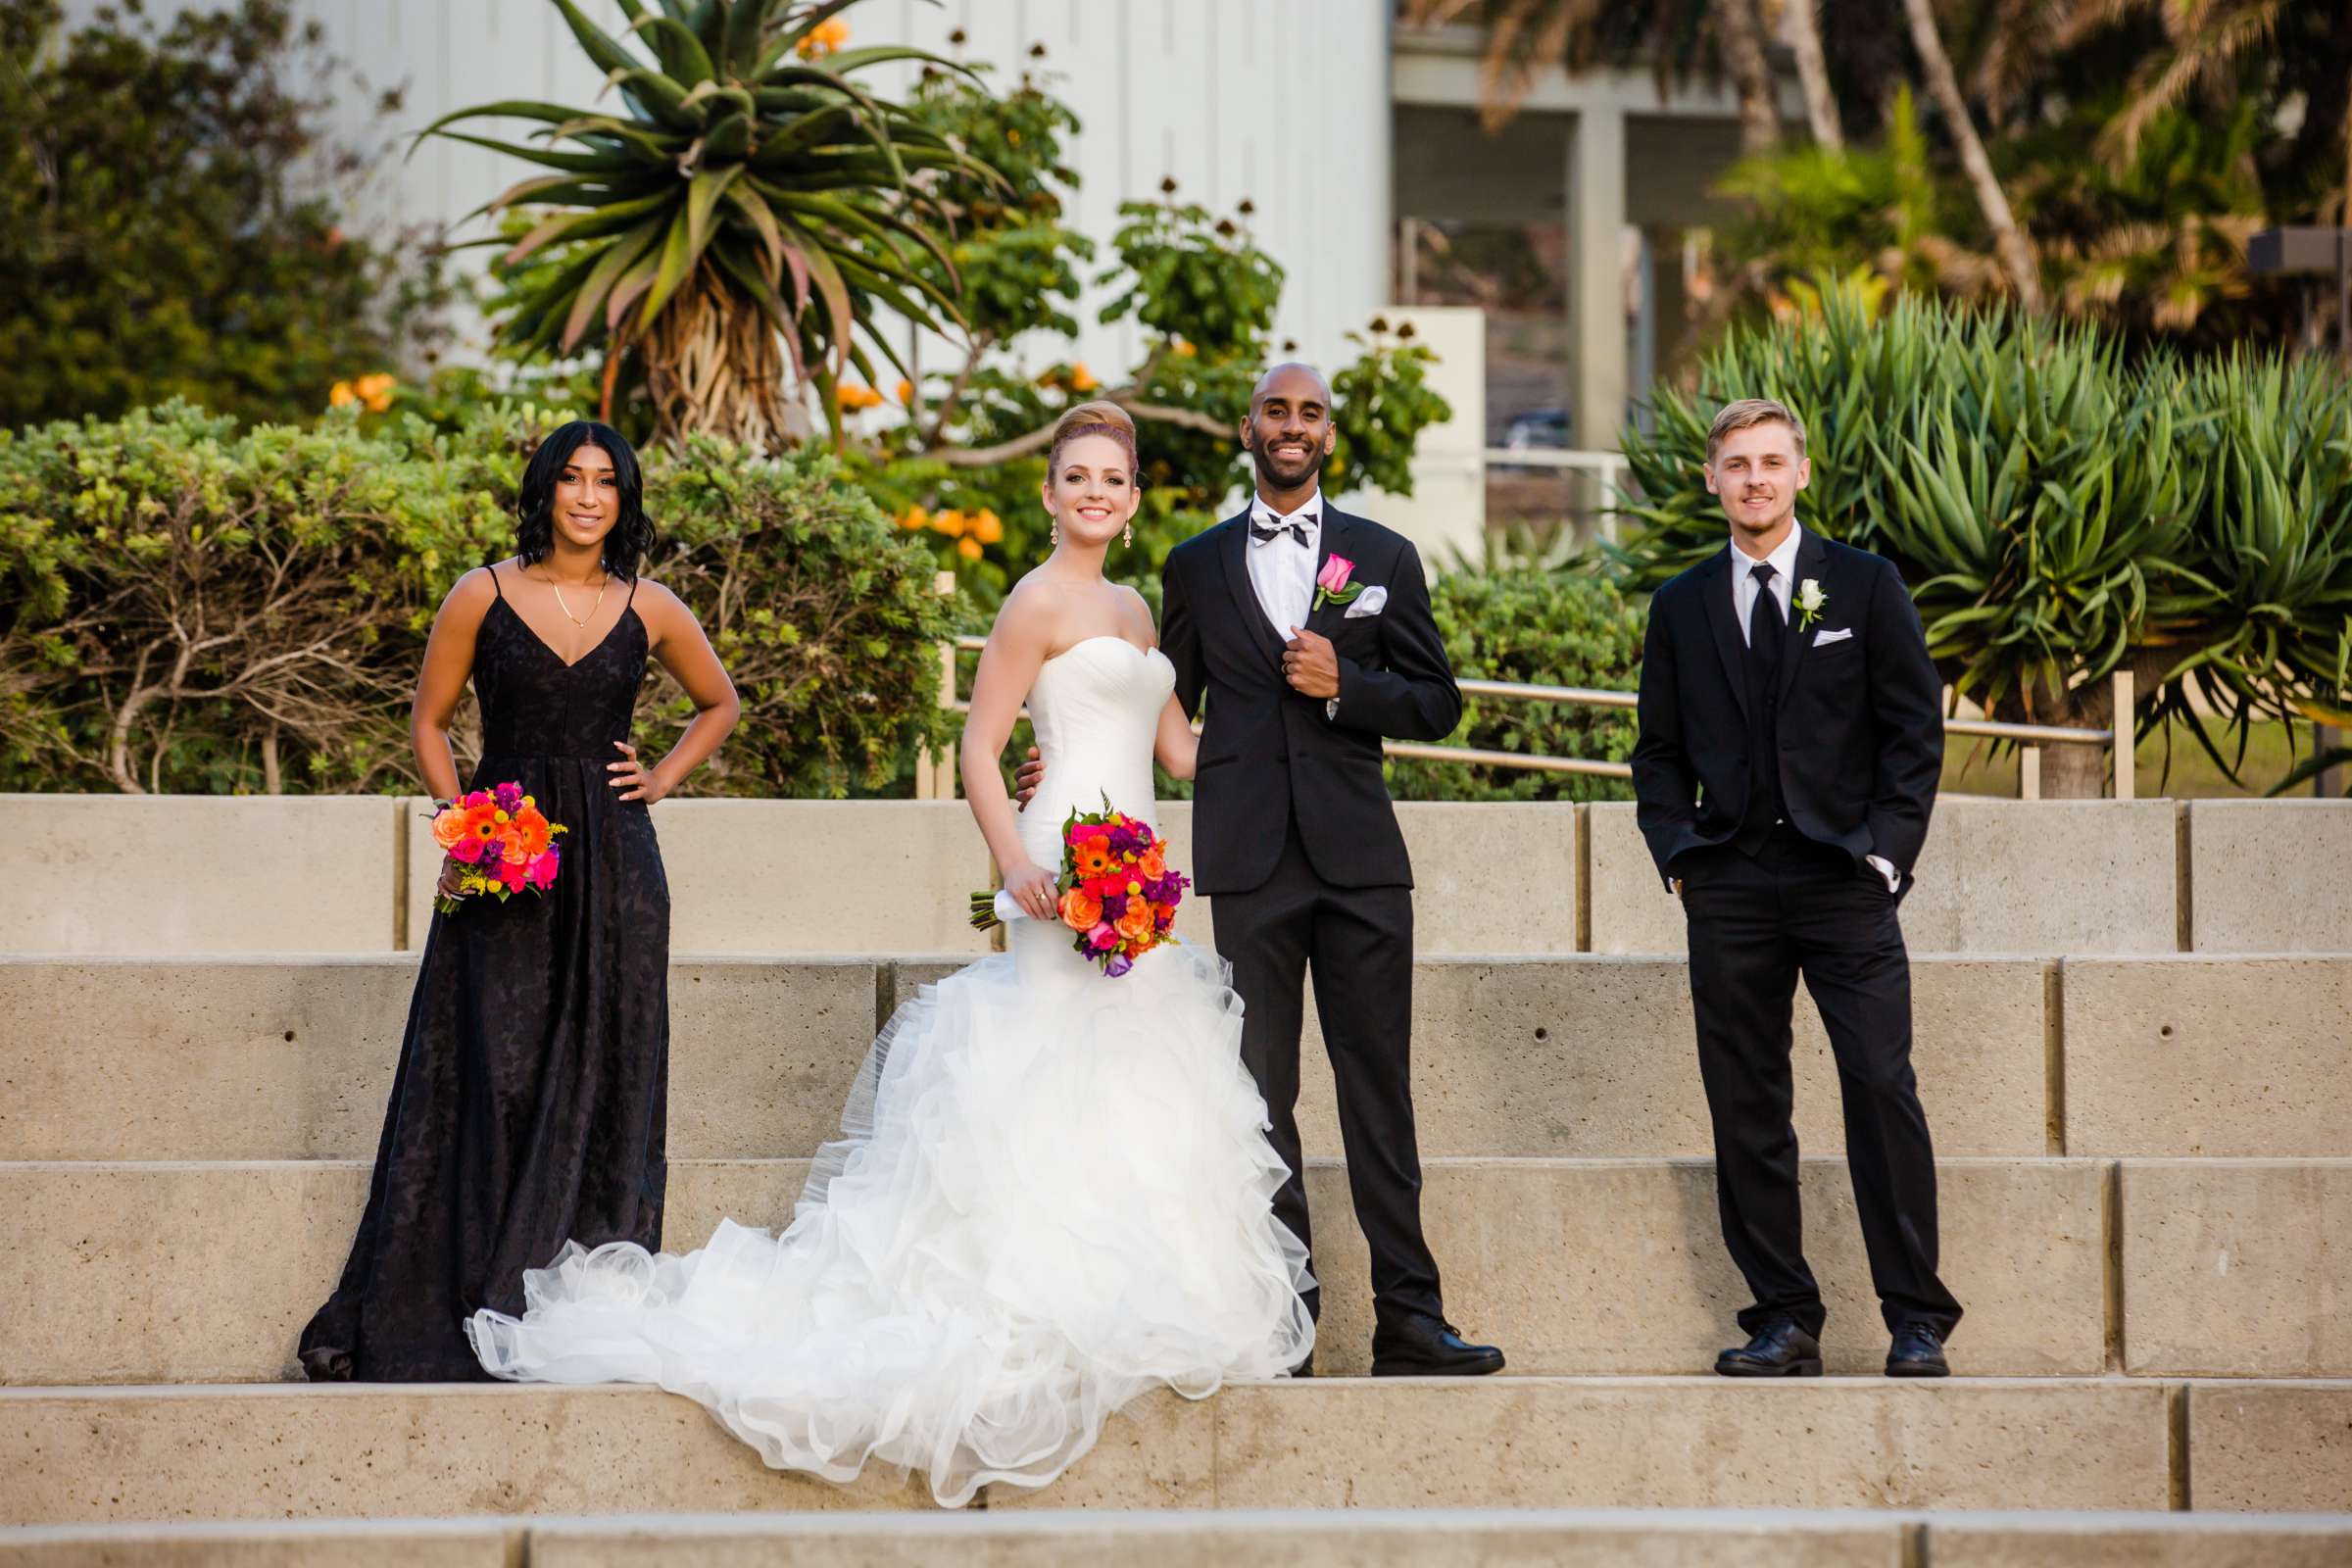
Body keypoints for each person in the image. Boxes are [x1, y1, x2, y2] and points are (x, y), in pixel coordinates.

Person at [466, 404, 1315, 1509]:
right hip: (1057, 863)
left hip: (1139, 878)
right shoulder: (1033, 599)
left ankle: (1135, 1299)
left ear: (1136, 497)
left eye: (1115, 478)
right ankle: (1030, 1297)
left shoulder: (1139, 610)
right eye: (1078, 476)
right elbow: (980, 742)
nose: (1097, 493)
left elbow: (1179, 748)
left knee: (1142, 1075)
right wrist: (1015, 860)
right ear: (1050, 493)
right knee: (1052, 1067)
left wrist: (1294, 725)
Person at [1018, 364, 1503, 1379]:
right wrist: (1063, 759)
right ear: (1249, 429)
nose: (1292, 426)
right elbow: (1160, 705)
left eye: (1310, 412)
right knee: (1262, 1096)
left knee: (1381, 1092)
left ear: (1329, 432)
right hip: (1247, 865)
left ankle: (1411, 1318)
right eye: (1276, 410)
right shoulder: (1195, 567)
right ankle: (1291, 1319)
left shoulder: (1384, 554)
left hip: (1362, 865)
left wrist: (1349, 685)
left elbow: (1438, 700)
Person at [300, 420, 739, 1381]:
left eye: (607, 483)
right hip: (506, 864)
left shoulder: (650, 605)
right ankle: (471, 1276)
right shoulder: (482, 593)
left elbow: (721, 701)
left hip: (618, 867)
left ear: (624, 500)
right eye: (572, 479)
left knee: (614, 1067)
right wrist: (463, 825)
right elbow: (429, 719)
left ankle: (586, 1286)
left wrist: (660, 775)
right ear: (543, 490)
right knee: (491, 1072)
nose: (588, 497)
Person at [1631, 396, 1962, 1379]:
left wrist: (1885, 853)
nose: (1755, 479)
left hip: (1844, 882)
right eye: (1736, 464)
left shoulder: (1863, 586)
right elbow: (1656, 751)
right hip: (1729, 884)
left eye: (1772, 461)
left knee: (1878, 1085)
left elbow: (1915, 731)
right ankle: (1783, 1314)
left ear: (1801, 473)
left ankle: (1916, 1316)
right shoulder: (1682, 604)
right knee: (1746, 1101)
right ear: (1711, 480)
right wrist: (1682, 854)